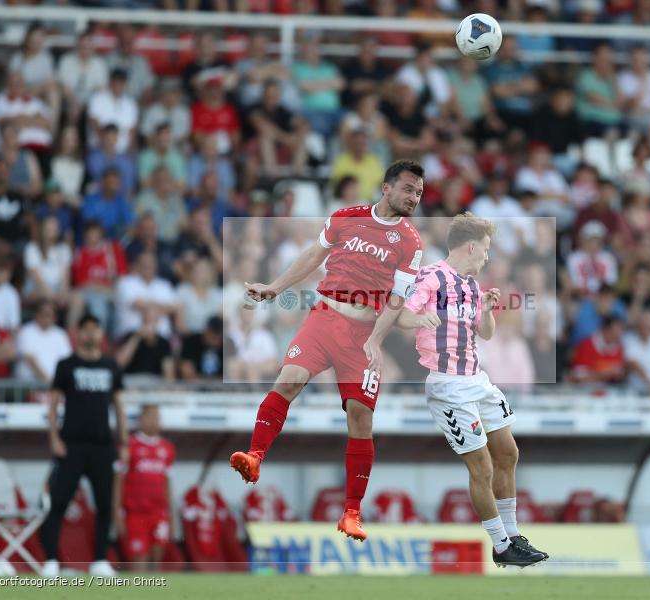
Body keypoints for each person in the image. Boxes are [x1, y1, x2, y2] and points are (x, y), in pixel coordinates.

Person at [229, 161, 425, 542]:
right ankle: (254, 457)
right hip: (324, 317)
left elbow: (398, 300)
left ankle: (352, 512)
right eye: (407, 189)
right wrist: (275, 286)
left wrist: (375, 340)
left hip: (364, 330)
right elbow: (312, 256)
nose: (413, 197)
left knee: (360, 419)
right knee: (289, 380)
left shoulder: (411, 242)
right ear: (386, 188)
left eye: (418, 192)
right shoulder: (346, 217)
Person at [392, 213, 549, 568]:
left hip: (477, 379)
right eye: (486, 250)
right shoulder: (432, 277)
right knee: (482, 468)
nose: (488, 258)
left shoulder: (471, 287)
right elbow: (400, 315)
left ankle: (513, 534)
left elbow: (486, 333)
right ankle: (501, 545)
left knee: (508, 453)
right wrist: (420, 318)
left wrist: (490, 310)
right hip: (448, 385)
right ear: (471, 247)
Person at [40, 314, 127, 578]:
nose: (90, 334)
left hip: (102, 445)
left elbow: (120, 407)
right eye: (86, 330)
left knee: (104, 504)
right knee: (58, 503)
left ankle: (100, 560)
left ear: (102, 334)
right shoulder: (66, 365)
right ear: (78, 334)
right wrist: (54, 438)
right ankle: (51, 560)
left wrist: (123, 441)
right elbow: (53, 404)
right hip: (71, 445)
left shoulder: (111, 366)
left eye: (95, 329)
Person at [113, 404, 175, 572]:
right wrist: (116, 513)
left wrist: (171, 515)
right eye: (151, 416)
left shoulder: (167, 448)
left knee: (157, 558)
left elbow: (168, 484)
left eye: (157, 417)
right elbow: (118, 482)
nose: (155, 421)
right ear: (141, 419)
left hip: (159, 512)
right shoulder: (129, 447)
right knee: (139, 559)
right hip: (135, 513)